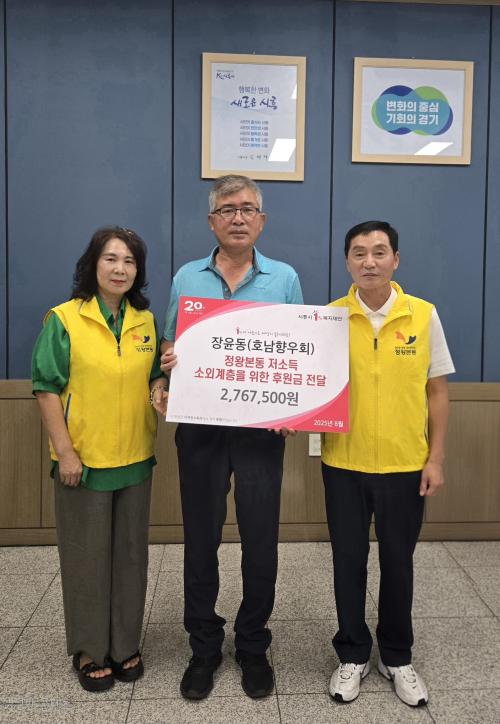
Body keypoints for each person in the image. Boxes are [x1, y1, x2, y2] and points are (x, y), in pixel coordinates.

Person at [160, 175, 303, 700]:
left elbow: (299, 352)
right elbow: (170, 344)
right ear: (212, 221)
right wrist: (166, 367)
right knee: (201, 540)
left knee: (261, 540)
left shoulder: (284, 278)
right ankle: (203, 647)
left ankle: (253, 644)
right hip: (201, 429)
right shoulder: (186, 277)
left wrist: (295, 405)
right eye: (227, 208)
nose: (237, 217)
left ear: (261, 220)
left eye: (247, 208)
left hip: (260, 433)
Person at [323, 221, 454, 708]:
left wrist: (435, 457)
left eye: (379, 252)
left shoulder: (423, 314)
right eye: (359, 253)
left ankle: (397, 656)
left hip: (405, 465)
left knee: (398, 562)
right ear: (347, 262)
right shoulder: (329, 319)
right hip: (344, 463)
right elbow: (311, 387)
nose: (369, 261)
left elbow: (437, 391)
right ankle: (352, 653)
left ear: (396, 259)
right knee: (348, 561)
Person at [32, 226, 168, 692]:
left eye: (129, 261)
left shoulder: (145, 322)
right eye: (111, 258)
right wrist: (66, 452)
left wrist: (159, 391)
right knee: (86, 559)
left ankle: (125, 644)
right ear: (93, 264)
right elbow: (46, 388)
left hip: (135, 459)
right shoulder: (65, 319)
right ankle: (90, 649)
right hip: (83, 463)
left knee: (130, 557)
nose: (120, 269)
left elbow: (154, 377)